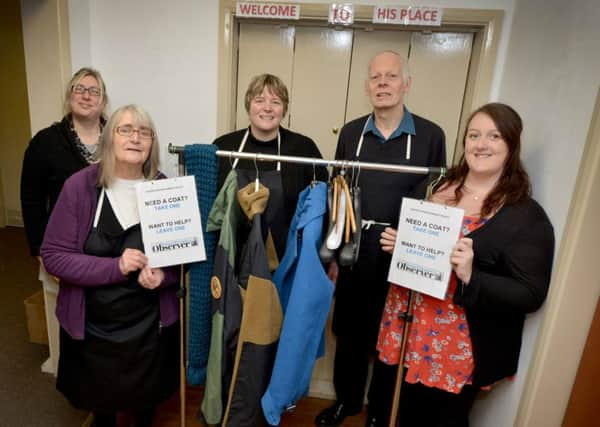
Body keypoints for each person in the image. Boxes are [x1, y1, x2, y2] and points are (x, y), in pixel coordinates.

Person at [377, 102, 555, 426]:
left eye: (493, 136)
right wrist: (398, 244)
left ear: (511, 145)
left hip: (457, 342)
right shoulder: (436, 187)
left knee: (445, 419)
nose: (480, 144)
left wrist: (472, 275)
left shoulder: (524, 215)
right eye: (474, 135)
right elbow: (408, 235)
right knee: (402, 411)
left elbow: (531, 293)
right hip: (408, 325)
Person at [315, 51, 446, 427]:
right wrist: (333, 256)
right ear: (367, 86)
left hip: (401, 255)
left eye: (391, 77)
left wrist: (410, 236)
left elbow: (436, 196)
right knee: (351, 335)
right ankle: (347, 402)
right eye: (376, 78)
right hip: (355, 250)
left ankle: (378, 411)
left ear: (406, 84)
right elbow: (336, 194)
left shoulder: (431, 135)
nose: (383, 84)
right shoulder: (351, 132)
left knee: (393, 340)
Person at [40, 105, 180, 427]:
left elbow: (183, 258)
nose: (135, 138)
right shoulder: (79, 187)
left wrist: (163, 276)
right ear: (109, 139)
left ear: (152, 143)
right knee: (101, 410)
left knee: (147, 406)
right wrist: (115, 266)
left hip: (149, 329)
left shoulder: (165, 189)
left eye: (144, 132)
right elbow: (55, 256)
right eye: (126, 129)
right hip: (93, 330)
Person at [214, 73, 327, 262]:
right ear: (248, 106)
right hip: (232, 258)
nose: (267, 108)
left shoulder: (304, 149)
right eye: (259, 100)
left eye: (275, 102)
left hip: (287, 259)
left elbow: (322, 207)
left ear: (284, 110)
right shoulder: (223, 147)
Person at [21, 67, 109, 259]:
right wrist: (40, 251)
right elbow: (32, 200)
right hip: (62, 247)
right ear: (70, 97)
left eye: (94, 92)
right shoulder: (44, 142)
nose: (86, 96)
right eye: (79, 89)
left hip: (112, 249)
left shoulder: (118, 140)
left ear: (103, 102)